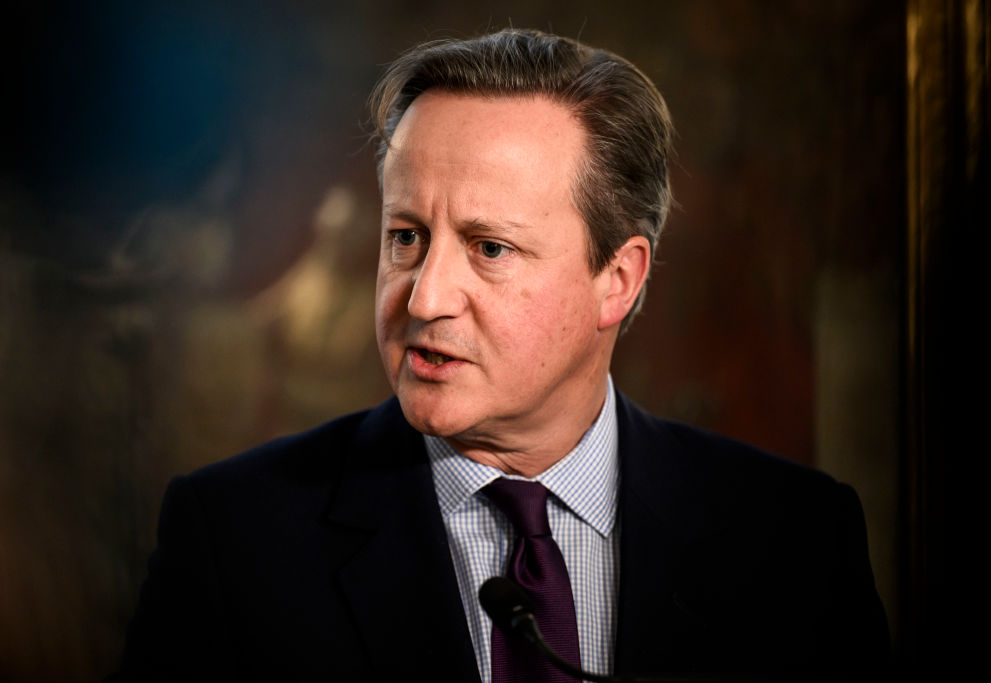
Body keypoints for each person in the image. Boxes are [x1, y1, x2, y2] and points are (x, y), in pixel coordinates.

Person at [114, 28, 889, 682]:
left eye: (489, 247)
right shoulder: (233, 540)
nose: (423, 299)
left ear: (617, 280)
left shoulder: (796, 541)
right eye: (406, 237)